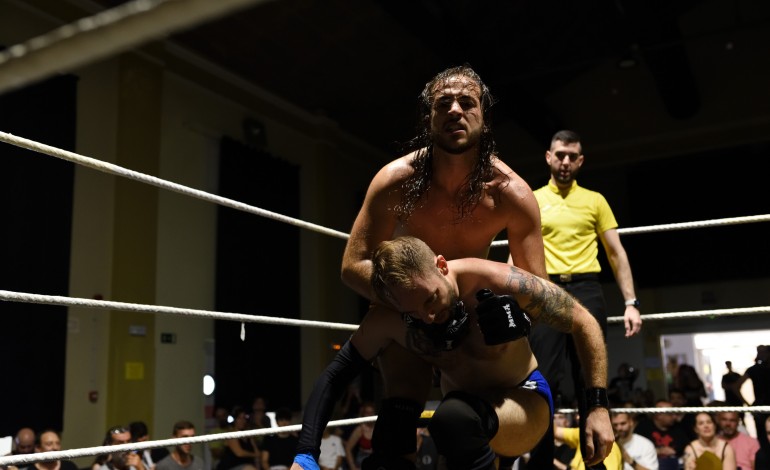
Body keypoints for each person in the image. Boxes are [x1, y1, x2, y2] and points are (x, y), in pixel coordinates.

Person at [337, 64, 548, 469]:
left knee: (464, 425)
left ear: (484, 116)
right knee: (395, 431)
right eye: (443, 103)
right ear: (428, 117)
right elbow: (353, 264)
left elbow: (537, 285)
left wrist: (512, 313)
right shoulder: (395, 179)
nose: (454, 110)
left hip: (472, 319)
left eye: (466, 102)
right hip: (410, 318)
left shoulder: (511, 192)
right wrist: (412, 304)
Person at [292, 236, 613, 470]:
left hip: (522, 401)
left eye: (431, 299)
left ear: (442, 266)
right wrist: (306, 453)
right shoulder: (391, 317)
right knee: (389, 446)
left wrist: (598, 406)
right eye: (414, 312)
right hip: (465, 417)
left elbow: (583, 321)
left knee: (454, 418)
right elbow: (335, 376)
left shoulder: (496, 280)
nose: (429, 316)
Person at [526, 129, 641, 469]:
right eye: (560, 154)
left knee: (590, 379)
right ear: (549, 157)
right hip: (546, 288)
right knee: (543, 378)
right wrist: (514, 296)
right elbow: (519, 249)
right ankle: (541, 463)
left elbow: (616, 253)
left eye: (572, 156)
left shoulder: (595, 200)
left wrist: (631, 303)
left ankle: (594, 463)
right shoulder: (531, 199)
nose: (565, 161)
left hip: (587, 288)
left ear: (580, 161)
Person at [634, 400, 689, 470]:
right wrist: (658, 451)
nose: (674, 417)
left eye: (674, 413)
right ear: (659, 415)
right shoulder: (644, 427)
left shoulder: (678, 428)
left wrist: (675, 452)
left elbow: (686, 448)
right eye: (670, 414)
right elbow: (636, 449)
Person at [738, 344, 770, 457]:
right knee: (763, 441)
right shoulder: (754, 370)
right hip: (760, 409)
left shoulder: (754, 369)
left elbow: (736, 386)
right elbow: (736, 386)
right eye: (760, 352)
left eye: (764, 352)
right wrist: (748, 404)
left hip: (760, 408)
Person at [554, 423, 623, 470]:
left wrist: (562, 467)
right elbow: (556, 431)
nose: (578, 417)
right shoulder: (582, 434)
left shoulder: (608, 446)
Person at [344, 402, 376, 470]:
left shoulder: (379, 428)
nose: (370, 415)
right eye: (367, 413)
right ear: (363, 414)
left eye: (371, 412)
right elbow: (348, 448)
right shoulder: (360, 429)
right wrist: (353, 467)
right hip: (362, 462)